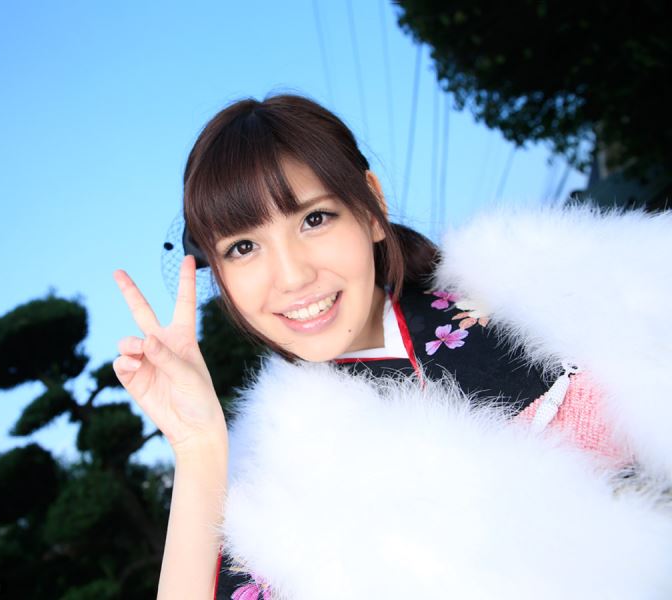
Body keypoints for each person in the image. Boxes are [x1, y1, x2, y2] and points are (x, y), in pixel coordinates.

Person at [113, 94, 672, 599]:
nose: (292, 276)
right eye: (242, 248)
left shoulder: (546, 297)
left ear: (371, 207)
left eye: (314, 219)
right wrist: (198, 447)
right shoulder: (269, 473)